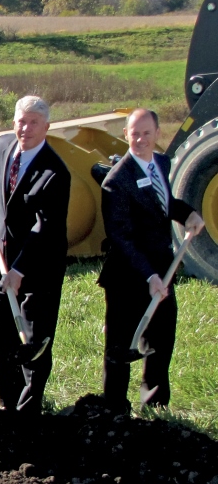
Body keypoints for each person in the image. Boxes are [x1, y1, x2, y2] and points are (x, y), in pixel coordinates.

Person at [99, 108, 206, 410]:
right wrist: (149, 276)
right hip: (128, 274)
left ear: (158, 134)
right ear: (126, 135)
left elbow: (163, 202)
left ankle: (155, 405)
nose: (141, 139)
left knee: (160, 339)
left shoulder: (161, 162)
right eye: (135, 133)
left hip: (163, 267)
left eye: (147, 133)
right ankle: (115, 409)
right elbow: (122, 237)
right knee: (121, 346)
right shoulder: (116, 181)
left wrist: (188, 214)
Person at [0, 96, 70, 414]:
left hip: (38, 269)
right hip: (2, 259)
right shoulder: (4, 145)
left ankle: (30, 409)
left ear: (46, 127)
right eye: (21, 120)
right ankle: (8, 404)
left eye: (34, 122)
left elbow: (43, 228)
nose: (25, 128)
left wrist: (19, 271)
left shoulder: (55, 172)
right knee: (2, 338)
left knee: (33, 342)